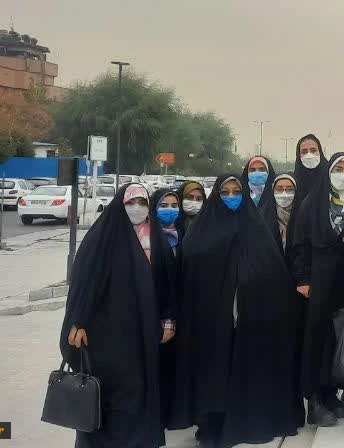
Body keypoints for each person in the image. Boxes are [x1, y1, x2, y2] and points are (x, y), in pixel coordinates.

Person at [170, 175, 302, 447]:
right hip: (210, 321)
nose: (231, 196)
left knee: (247, 370)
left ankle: (248, 421)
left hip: (251, 319)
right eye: (225, 192)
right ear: (216, 196)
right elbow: (191, 270)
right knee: (214, 373)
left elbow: (273, 270)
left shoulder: (256, 227)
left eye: (236, 191)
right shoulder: (201, 231)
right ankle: (212, 424)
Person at [60, 184, 173, 448]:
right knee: (107, 391)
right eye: (131, 203)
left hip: (143, 330)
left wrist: (168, 319)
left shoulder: (155, 238)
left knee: (139, 389)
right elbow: (85, 282)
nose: (137, 208)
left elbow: (168, 282)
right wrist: (78, 321)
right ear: (120, 206)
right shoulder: (102, 237)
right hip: (105, 331)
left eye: (142, 203)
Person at [289, 150, 344, 426]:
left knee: (334, 338)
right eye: (338, 169)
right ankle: (314, 400)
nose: (343, 175)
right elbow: (299, 243)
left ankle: (330, 392)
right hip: (317, 280)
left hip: (341, 281)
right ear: (329, 172)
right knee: (315, 339)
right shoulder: (313, 201)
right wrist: (302, 279)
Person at [150, 188, 184, 428]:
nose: (170, 210)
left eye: (174, 205)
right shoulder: (147, 239)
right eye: (164, 205)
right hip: (157, 314)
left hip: (183, 312)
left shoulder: (185, 235)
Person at [293, 135, 329, 204]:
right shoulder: (293, 184)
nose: (309, 155)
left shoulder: (330, 179)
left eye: (313, 150)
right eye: (304, 152)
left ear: (320, 152)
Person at [270, 174, 298, 255]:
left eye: (289, 189)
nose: (284, 194)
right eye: (279, 189)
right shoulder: (263, 217)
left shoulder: (303, 216)